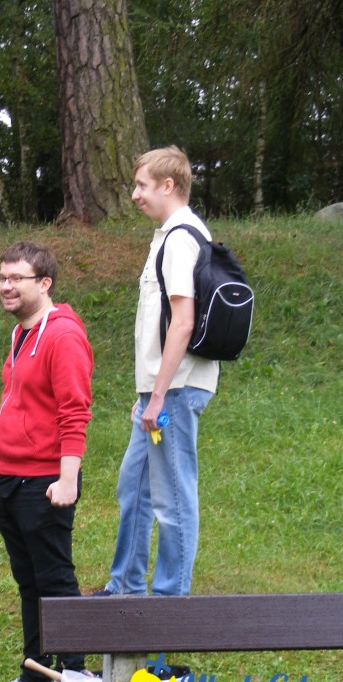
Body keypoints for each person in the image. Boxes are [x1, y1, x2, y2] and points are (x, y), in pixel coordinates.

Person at [97, 146, 219, 598]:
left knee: (172, 500)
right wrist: (148, 391)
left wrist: (160, 394)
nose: (134, 195)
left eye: (142, 185)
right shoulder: (171, 235)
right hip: (160, 391)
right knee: (135, 487)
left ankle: (170, 607)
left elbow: (183, 322)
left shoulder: (181, 238)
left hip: (176, 393)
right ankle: (125, 587)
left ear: (169, 186)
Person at [0, 242, 94, 682]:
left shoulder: (62, 335)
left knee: (55, 582)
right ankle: (35, 674)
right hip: (10, 477)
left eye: (17, 278)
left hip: (45, 481)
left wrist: (67, 479)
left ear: (44, 283)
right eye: (2, 277)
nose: (6, 286)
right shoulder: (21, 333)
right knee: (29, 582)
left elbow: (75, 411)